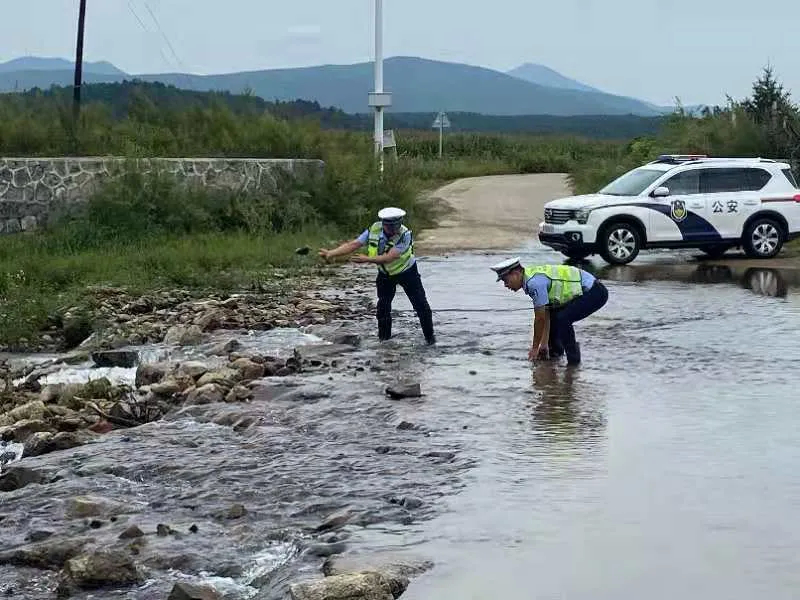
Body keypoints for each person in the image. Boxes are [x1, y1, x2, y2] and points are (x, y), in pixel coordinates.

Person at [318, 207, 436, 345]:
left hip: (407, 272)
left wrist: (366, 259)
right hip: (385, 275)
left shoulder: (405, 235)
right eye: (390, 226)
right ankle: (384, 341)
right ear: (383, 224)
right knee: (383, 308)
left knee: (421, 306)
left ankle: (430, 340)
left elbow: (389, 257)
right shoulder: (374, 229)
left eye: (396, 225)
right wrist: (331, 253)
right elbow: (354, 244)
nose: (394, 230)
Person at [490, 257, 608, 365]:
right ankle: (554, 357)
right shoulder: (530, 277)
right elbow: (546, 312)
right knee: (555, 316)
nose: (505, 285)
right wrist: (544, 344)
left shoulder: (534, 284)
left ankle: (573, 364)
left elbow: (539, 319)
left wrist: (535, 348)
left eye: (506, 280)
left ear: (516, 274)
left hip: (595, 292)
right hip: (586, 290)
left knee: (563, 319)